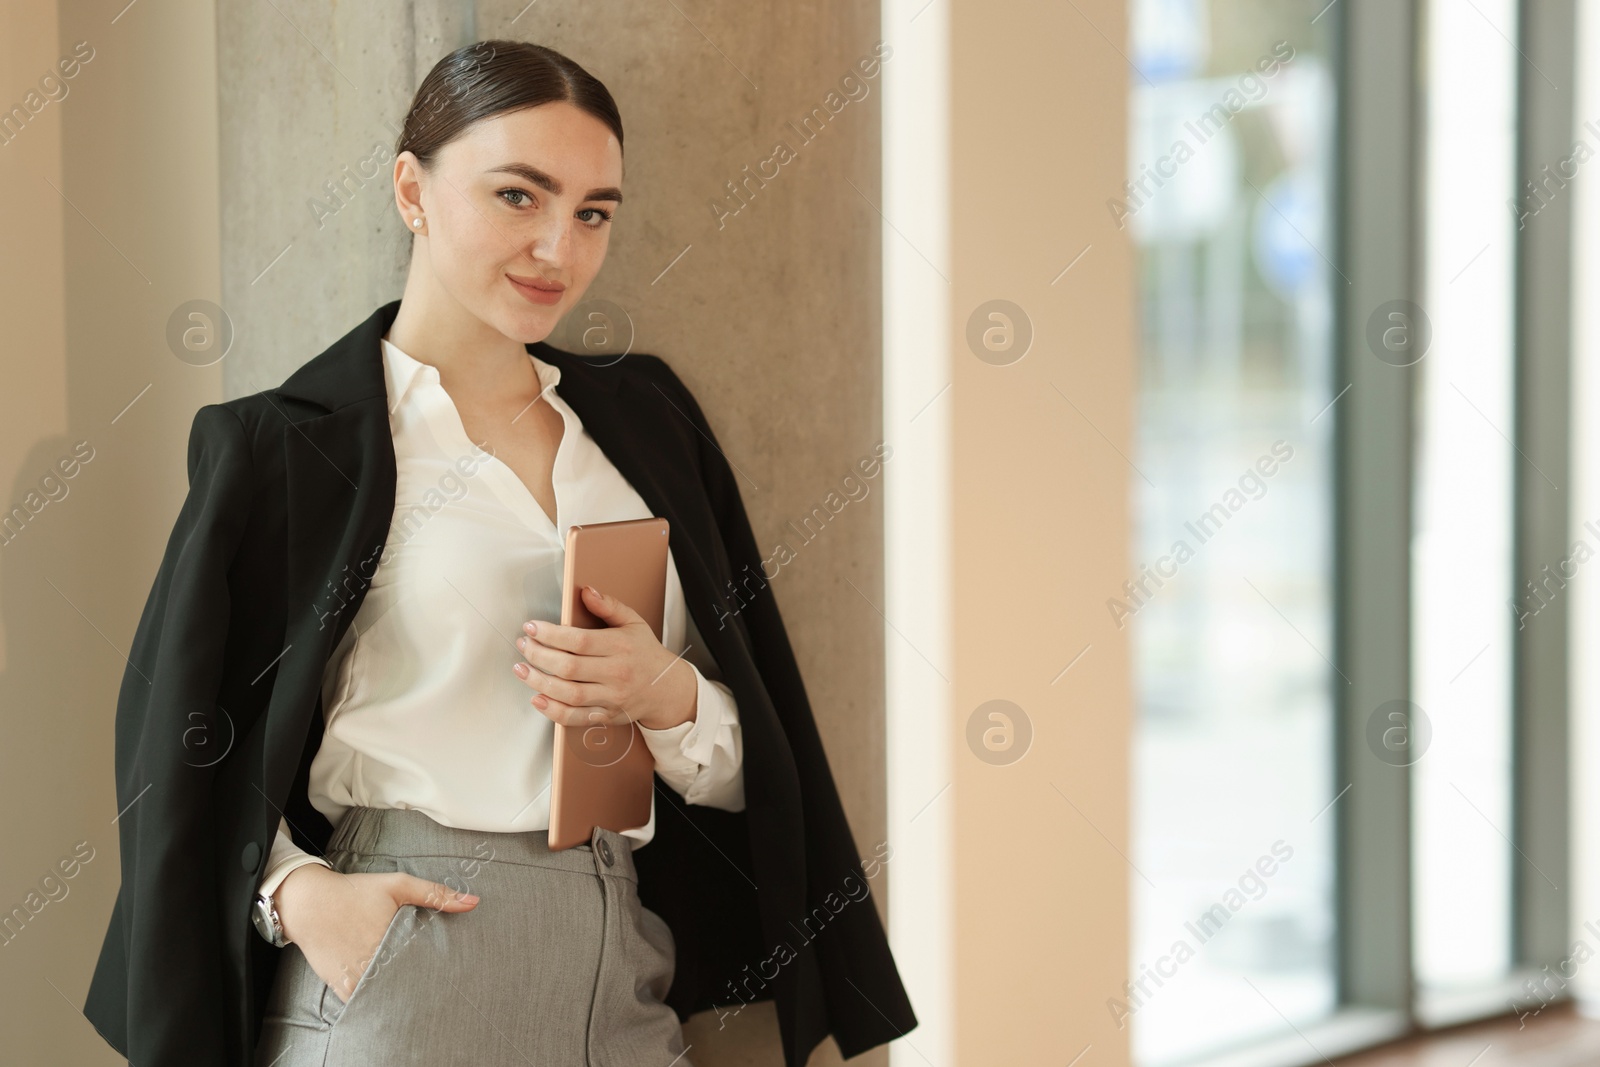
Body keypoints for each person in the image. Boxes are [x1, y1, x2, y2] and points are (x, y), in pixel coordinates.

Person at [83, 38, 916, 1067]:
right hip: (407, 952)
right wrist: (298, 896)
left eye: (593, 212)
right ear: (411, 190)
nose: (558, 250)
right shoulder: (286, 448)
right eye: (518, 196)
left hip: (623, 953)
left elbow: (765, 764)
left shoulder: (647, 424)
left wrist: (668, 697)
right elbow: (173, 736)